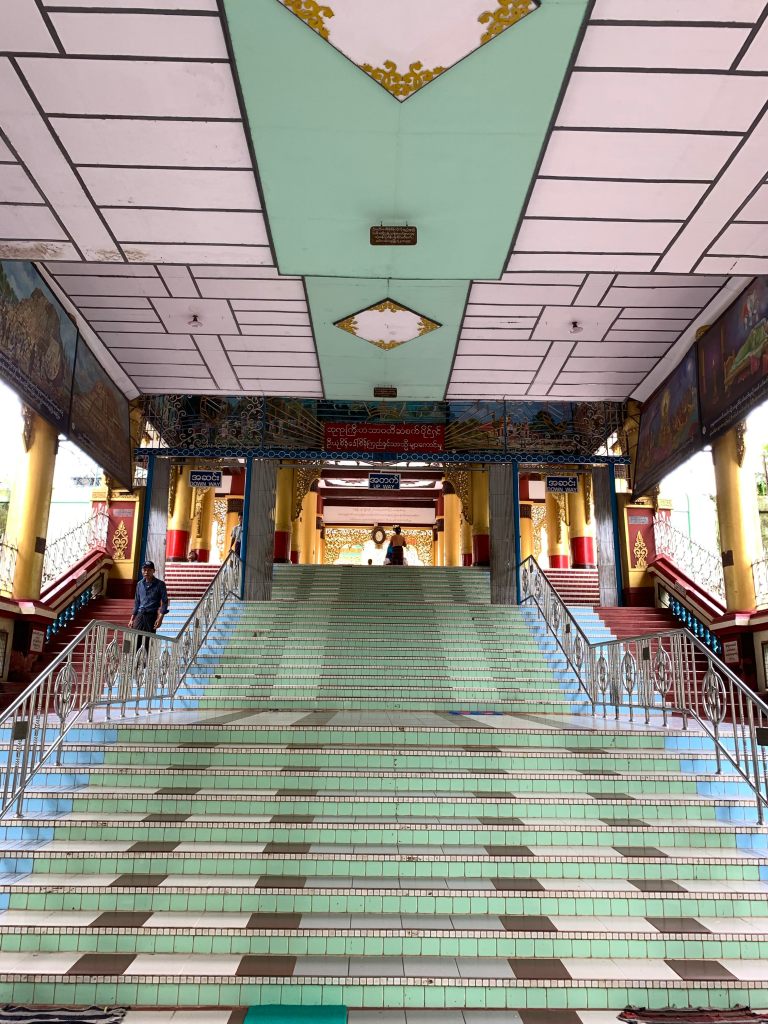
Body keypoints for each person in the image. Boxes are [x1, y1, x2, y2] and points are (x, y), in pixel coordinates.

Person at [129, 561, 169, 635]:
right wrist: (132, 619)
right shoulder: (139, 584)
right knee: (135, 637)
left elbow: (165, 602)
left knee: (148, 638)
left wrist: (160, 618)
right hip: (140, 615)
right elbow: (137, 603)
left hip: (151, 616)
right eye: (144, 570)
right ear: (142, 571)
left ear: (153, 571)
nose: (146, 572)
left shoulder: (160, 584)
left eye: (149, 570)